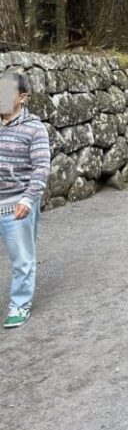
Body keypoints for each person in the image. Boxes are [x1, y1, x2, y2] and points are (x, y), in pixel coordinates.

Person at [0, 71, 51, 329]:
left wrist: (29, 200)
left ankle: (20, 304)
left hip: (16, 204)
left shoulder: (35, 128)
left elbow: (41, 167)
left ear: (22, 97)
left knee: (22, 258)